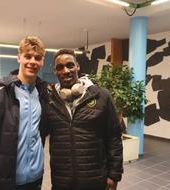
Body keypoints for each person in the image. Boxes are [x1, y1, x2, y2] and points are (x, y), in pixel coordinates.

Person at [0, 36, 48, 190]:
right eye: (28, 56)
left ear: (42, 61)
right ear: (19, 57)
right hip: (6, 181)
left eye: (37, 58)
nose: (32, 61)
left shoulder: (44, 93)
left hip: (35, 179)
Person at [46, 49, 123, 190]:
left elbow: (114, 137)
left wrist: (114, 174)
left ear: (77, 66)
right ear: (55, 71)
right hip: (62, 180)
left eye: (70, 65)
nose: (66, 71)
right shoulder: (49, 100)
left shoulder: (101, 96)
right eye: (60, 67)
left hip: (95, 179)